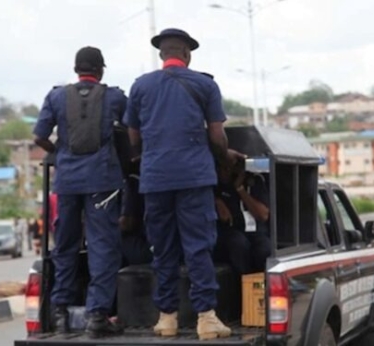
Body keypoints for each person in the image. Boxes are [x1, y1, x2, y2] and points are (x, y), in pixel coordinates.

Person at [123, 28, 242, 340]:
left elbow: (132, 136)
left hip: (155, 178)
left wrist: (144, 158)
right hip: (194, 177)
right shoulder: (205, 85)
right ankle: (206, 318)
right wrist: (224, 156)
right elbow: (217, 136)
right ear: (187, 55)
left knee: (162, 248)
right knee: (198, 247)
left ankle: (167, 318)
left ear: (162, 55)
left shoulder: (140, 86)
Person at [33, 46, 126, 338]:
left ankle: (60, 312)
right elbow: (133, 128)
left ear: (76, 70)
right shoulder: (114, 97)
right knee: (102, 246)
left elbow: (39, 136)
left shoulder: (56, 96)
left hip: (67, 183)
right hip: (102, 182)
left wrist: (59, 153)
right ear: (100, 71)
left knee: (65, 245)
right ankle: (97, 315)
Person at [213, 160, 271, 276]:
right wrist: (217, 201)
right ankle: (245, 288)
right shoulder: (215, 186)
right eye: (222, 168)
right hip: (232, 232)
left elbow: (263, 215)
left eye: (229, 168)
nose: (226, 171)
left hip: (256, 232)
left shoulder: (254, 181)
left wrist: (240, 189)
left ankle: (261, 289)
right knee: (238, 244)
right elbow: (224, 217)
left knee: (265, 249)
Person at [119, 175, 153, 267]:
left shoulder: (133, 182)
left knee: (106, 240)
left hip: (145, 247)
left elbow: (127, 223)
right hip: (166, 245)